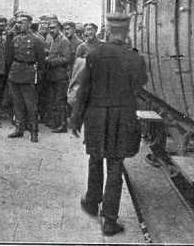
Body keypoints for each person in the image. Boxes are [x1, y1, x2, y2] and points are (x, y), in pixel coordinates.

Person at [70, 13, 147, 236]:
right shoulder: (135, 58)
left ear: (108, 31)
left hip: (95, 117)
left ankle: (92, 201)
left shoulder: (94, 55)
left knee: (95, 159)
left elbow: (83, 90)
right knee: (115, 166)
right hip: (122, 118)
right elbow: (141, 84)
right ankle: (109, 220)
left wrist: (75, 119)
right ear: (127, 33)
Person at [6, 13, 45, 142]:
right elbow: (10, 57)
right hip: (15, 72)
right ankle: (19, 129)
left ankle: (34, 131)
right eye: (17, 22)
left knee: (31, 104)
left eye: (22, 22)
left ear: (29, 24)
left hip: (28, 73)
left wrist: (38, 78)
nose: (19, 25)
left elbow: (41, 62)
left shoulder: (37, 40)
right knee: (17, 103)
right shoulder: (15, 39)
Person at [45, 20, 72, 133]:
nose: (51, 30)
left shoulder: (64, 40)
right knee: (54, 100)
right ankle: (56, 122)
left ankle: (62, 125)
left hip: (60, 76)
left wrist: (51, 61)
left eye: (53, 28)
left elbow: (66, 58)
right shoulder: (52, 39)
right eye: (50, 28)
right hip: (52, 75)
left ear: (59, 28)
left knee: (60, 101)